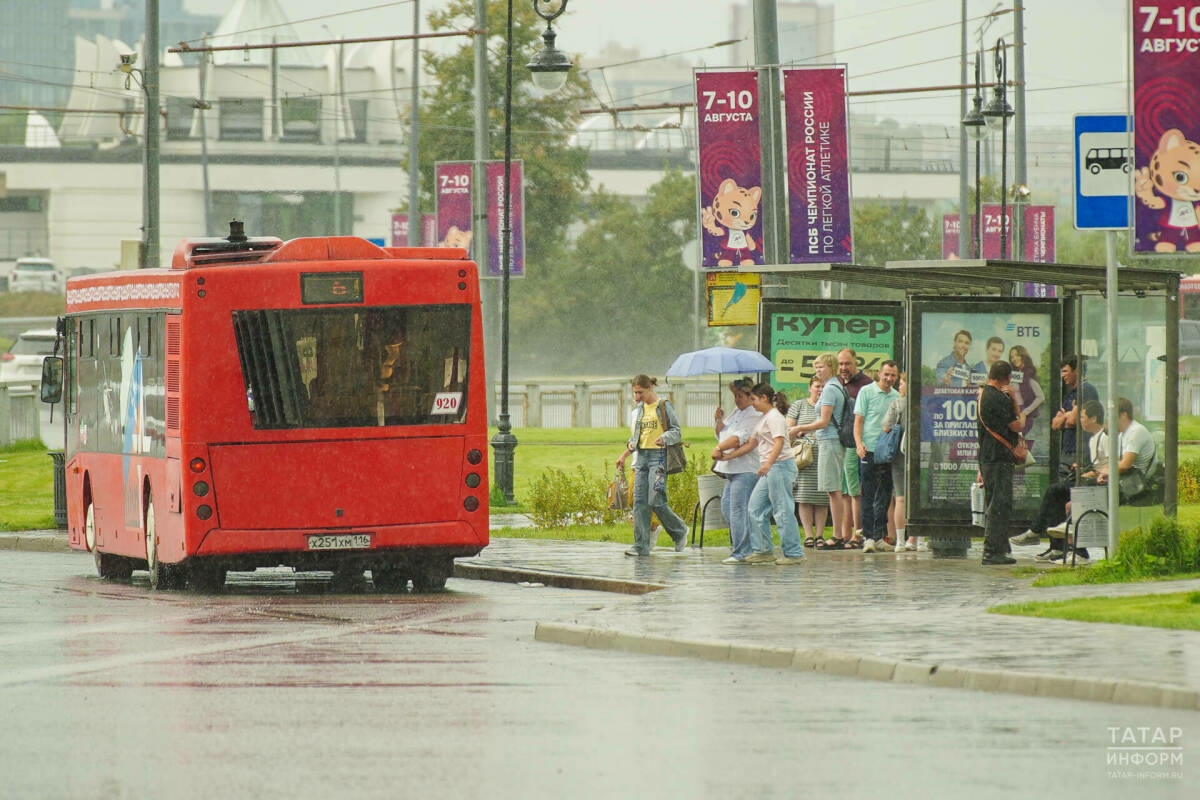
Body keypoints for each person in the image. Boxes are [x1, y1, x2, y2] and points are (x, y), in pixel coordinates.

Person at [1012, 355, 1097, 546]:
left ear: (1077, 371)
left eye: (1065, 371)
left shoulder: (1086, 390)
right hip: (1067, 451)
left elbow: (1073, 421)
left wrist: (1067, 417)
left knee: (1063, 496)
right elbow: (1056, 424)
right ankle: (1057, 547)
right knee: (1060, 500)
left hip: (1078, 452)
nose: (1062, 376)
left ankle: (1061, 544)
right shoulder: (1070, 395)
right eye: (1061, 372)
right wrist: (1066, 417)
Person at [719, 383, 805, 564]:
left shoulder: (775, 417)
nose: (752, 403)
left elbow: (779, 442)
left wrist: (768, 463)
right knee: (755, 508)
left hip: (780, 466)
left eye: (754, 399)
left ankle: (794, 553)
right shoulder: (763, 418)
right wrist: (727, 457)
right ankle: (763, 549)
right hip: (770, 468)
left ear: (764, 398)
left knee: (782, 510)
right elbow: (751, 444)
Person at [1016, 400, 1108, 564]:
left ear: (1093, 418)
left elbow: (1109, 465)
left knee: (1064, 496)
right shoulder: (1094, 439)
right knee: (1056, 492)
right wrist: (1082, 468)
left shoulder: (1105, 438)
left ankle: (1045, 531)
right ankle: (1055, 543)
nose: (1081, 421)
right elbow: (1098, 465)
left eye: (1083, 417)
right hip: (1091, 479)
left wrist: (1092, 473)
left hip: (1099, 484)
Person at [616, 375, 689, 556]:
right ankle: (641, 546)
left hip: (658, 458)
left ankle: (679, 531)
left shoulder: (663, 406)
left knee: (655, 499)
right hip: (641, 458)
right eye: (634, 393)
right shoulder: (639, 410)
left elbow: (676, 431)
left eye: (640, 392)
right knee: (639, 502)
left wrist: (664, 438)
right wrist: (630, 445)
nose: (637, 396)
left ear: (650, 388)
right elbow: (637, 435)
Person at [791, 353, 854, 549]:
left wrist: (799, 428)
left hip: (830, 441)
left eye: (821, 367)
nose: (818, 371)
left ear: (831, 367)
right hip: (830, 440)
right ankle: (839, 534)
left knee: (833, 490)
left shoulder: (829, 390)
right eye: (816, 368)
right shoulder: (837, 387)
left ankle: (837, 535)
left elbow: (824, 421)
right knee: (833, 490)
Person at [977, 360, 1026, 565]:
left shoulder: (983, 394)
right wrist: (1014, 400)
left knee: (993, 502)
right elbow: (1016, 424)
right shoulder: (999, 397)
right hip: (1000, 458)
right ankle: (992, 551)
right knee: (999, 505)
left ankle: (998, 547)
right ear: (1007, 378)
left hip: (988, 457)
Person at [711, 378, 763, 565]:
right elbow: (722, 433)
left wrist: (719, 449)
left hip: (746, 468)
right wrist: (718, 420)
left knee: (738, 509)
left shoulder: (753, 415)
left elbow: (738, 439)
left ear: (750, 396)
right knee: (727, 507)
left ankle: (742, 551)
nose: (737, 400)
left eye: (740, 396)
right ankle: (745, 544)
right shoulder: (736, 412)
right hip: (731, 469)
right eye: (735, 396)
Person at [853, 360, 900, 552]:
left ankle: (880, 535)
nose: (889, 379)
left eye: (893, 376)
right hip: (869, 449)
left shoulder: (897, 396)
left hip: (888, 452)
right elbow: (859, 421)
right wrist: (859, 444)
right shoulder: (866, 392)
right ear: (879, 373)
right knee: (868, 494)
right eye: (886, 374)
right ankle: (868, 537)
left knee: (885, 494)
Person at [787, 376, 829, 549]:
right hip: (804, 457)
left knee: (822, 497)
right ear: (810, 388)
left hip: (824, 454)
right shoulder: (799, 405)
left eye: (823, 387)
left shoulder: (828, 406)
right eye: (817, 386)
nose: (820, 390)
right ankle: (808, 535)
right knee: (804, 496)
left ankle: (820, 534)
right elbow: (788, 428)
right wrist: (799, 433)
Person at [837, 348, 872, 541]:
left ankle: (858, 534)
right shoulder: (836, 383)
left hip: (855, 445)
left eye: (847, 363)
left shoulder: (866, 385)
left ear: (856, 363)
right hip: (839, 444)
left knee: (854, 491)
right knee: (842, 491)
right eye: (840, 363)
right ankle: (844, 534)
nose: (843, 368)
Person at [881, 371, 917, 551]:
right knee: (917, 497)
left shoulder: (897, 403)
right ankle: (915, 540)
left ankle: (900, 541)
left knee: (900, 498)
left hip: (900, 456)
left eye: (902, 383)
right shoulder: (924, 403)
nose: (899, 386)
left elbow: (886, 427)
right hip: (918, 454)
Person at [1008, 345, 1044, 437]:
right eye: (1012, 357)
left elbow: (1040, 397)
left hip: (1023, 413)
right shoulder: (1015, 374)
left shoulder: (1029, 374)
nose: (1014, 359)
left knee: (1016, 441)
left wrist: (1025, 412)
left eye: (1017, 355)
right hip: (1013, 411)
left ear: (1023, 356)